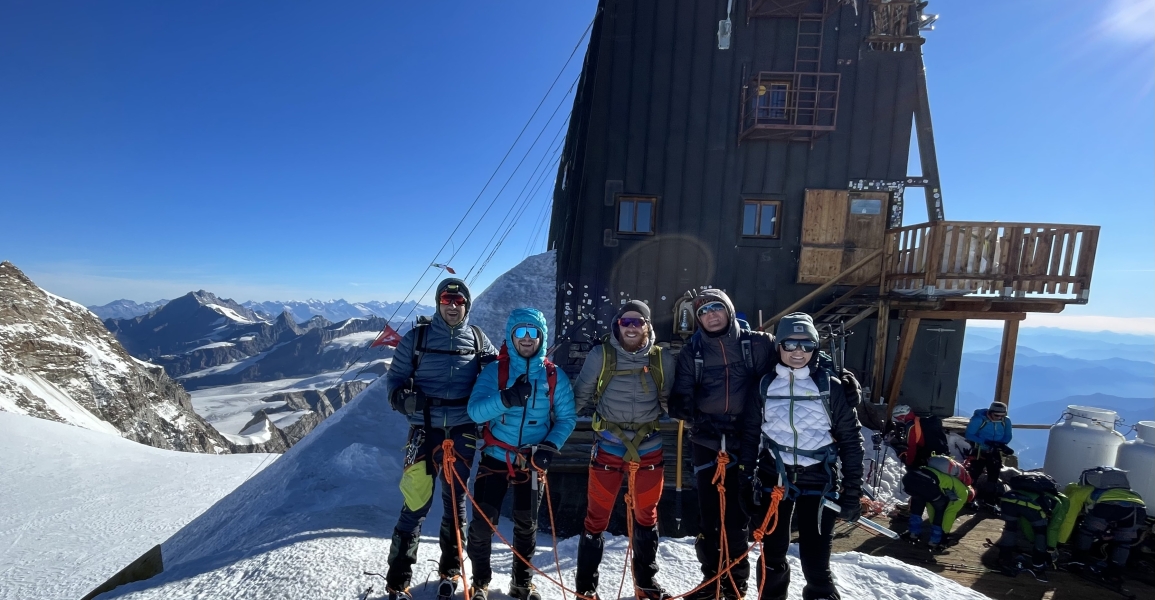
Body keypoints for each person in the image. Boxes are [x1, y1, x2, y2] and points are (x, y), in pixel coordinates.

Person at [374, 278, 496, 600]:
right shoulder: (417, 338)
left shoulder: (479, 340)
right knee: (415, 503)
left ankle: (450, 572)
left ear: (467, 305)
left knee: (455, 505)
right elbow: (394, 381)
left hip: (462, 429)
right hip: (423, 429)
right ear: (438, 303)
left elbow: (501, 373)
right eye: (446, 299)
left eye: (458, 301)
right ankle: (398, 581)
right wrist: (403, 400)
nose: (452, 306)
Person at [739, 312, 864, 600]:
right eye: (790, 344)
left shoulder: (831, 387)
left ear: (815, 348)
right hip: (775, 480)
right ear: (779, 346)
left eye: (806, 345)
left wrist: (852, 491)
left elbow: (851, 441)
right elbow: (749, 436)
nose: (798, 352)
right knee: (772, 556)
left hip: (819, 481)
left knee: (816, 561)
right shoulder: (764, 386)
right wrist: (745, 481)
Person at [668, 289, 774, 600]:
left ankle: (735, 586)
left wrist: (840, 378)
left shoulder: (758, 343)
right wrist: (681, 404)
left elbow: (796, 364)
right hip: (707, 439)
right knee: (709, 517)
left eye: (717, 308)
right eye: (703, 311)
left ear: (728, 310)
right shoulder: (693, 352)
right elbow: (683, 388)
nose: (711, 315)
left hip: (748, 439)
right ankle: (710, 582)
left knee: (737, 518)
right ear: (698, 318)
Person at [465, 308, 577, 600]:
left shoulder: (555, 376)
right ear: (511, 336)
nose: (527, 339)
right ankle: (480, 582)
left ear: (541, 337)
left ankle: (522, 584)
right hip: (495, 456)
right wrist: (506, 399)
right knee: (481, 524)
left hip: (532, 459)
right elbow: (475, 411)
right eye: (520, 333)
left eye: (533, 333)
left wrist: (550, 447)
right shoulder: (496, 372)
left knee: (527, 525)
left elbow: (566, 418)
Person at [572, 300, 676, 600]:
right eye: (625, 322)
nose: (631, 328)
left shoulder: (661, 359)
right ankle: (586, 589)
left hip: (649, 448)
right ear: (617, 325)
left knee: (647, 516)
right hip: (608, 446)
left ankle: (646, 584)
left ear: (647, 326)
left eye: (638, 322)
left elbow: (671, 400)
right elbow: (580, 395)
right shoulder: (600, 355)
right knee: (596, 518)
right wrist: (553, 433)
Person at [1057, 466, 1146, 583]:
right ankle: (1115, 573)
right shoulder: (1131, 492)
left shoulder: (1081, 490)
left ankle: (1078, 562)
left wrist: (1060, 542)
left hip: (1107, 506)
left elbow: (1069, 518)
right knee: (1123, 543)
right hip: (1138, 509)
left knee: (1087, 533)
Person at [991, 470, 1068, 573]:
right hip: (1030, 505)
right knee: (1041, 532)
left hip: (1007, 498)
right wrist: (1051, 548)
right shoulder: (1059, 504)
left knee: (1010, 528)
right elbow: (1053, 528)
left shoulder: (1034, 490)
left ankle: (1004, 558)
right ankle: (1038, 563)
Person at [901, 455, 974, 552]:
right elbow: (949, 515)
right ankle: (935, 542)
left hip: (910, 477)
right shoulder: (963, 494)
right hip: (927, 483)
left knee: (918, 501)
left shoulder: (949, 478)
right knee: (940, 509)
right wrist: (944, 534)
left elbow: (931, 505)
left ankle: (913, 534)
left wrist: (933, 522)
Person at [964, 401, 1013, 503]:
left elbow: (1008, 435)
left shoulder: (1006, 421)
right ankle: (969, 498)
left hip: (994, 451)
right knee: (974, 474)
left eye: (1002, 416)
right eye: (996, 415)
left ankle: (989, 501)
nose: (999, 418)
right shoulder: (979, 420)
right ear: (990, 412)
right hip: (979, 451)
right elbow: (969, 434)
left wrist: (1000, 444)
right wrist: (986, 442)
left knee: (993, 476)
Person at [889, 404, 949, 471]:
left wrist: (909, 464)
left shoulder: (910, 426)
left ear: (902, 416)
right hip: (938, 448)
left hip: (929, 452)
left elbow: (912, 447)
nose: (898, 421)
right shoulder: (917, 419)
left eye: (897, 418)